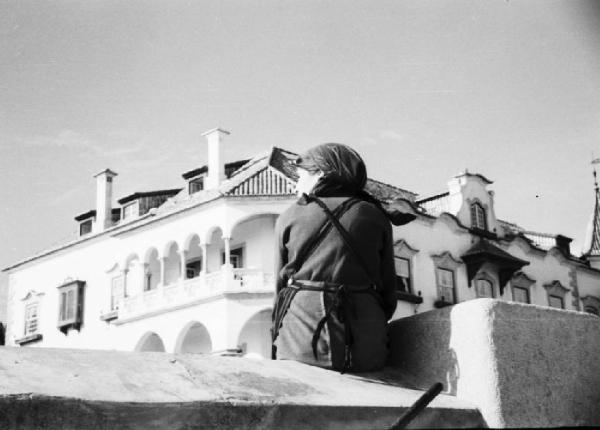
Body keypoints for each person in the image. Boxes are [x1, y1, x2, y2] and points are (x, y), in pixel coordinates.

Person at [271, 143, 415, 372]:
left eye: (300, 177)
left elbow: (279, 286)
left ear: (320, 173)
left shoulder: (290, 215)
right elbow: (388, 288)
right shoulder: (375, 215)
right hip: (364, 338)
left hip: (301, 337)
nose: (297, 185)